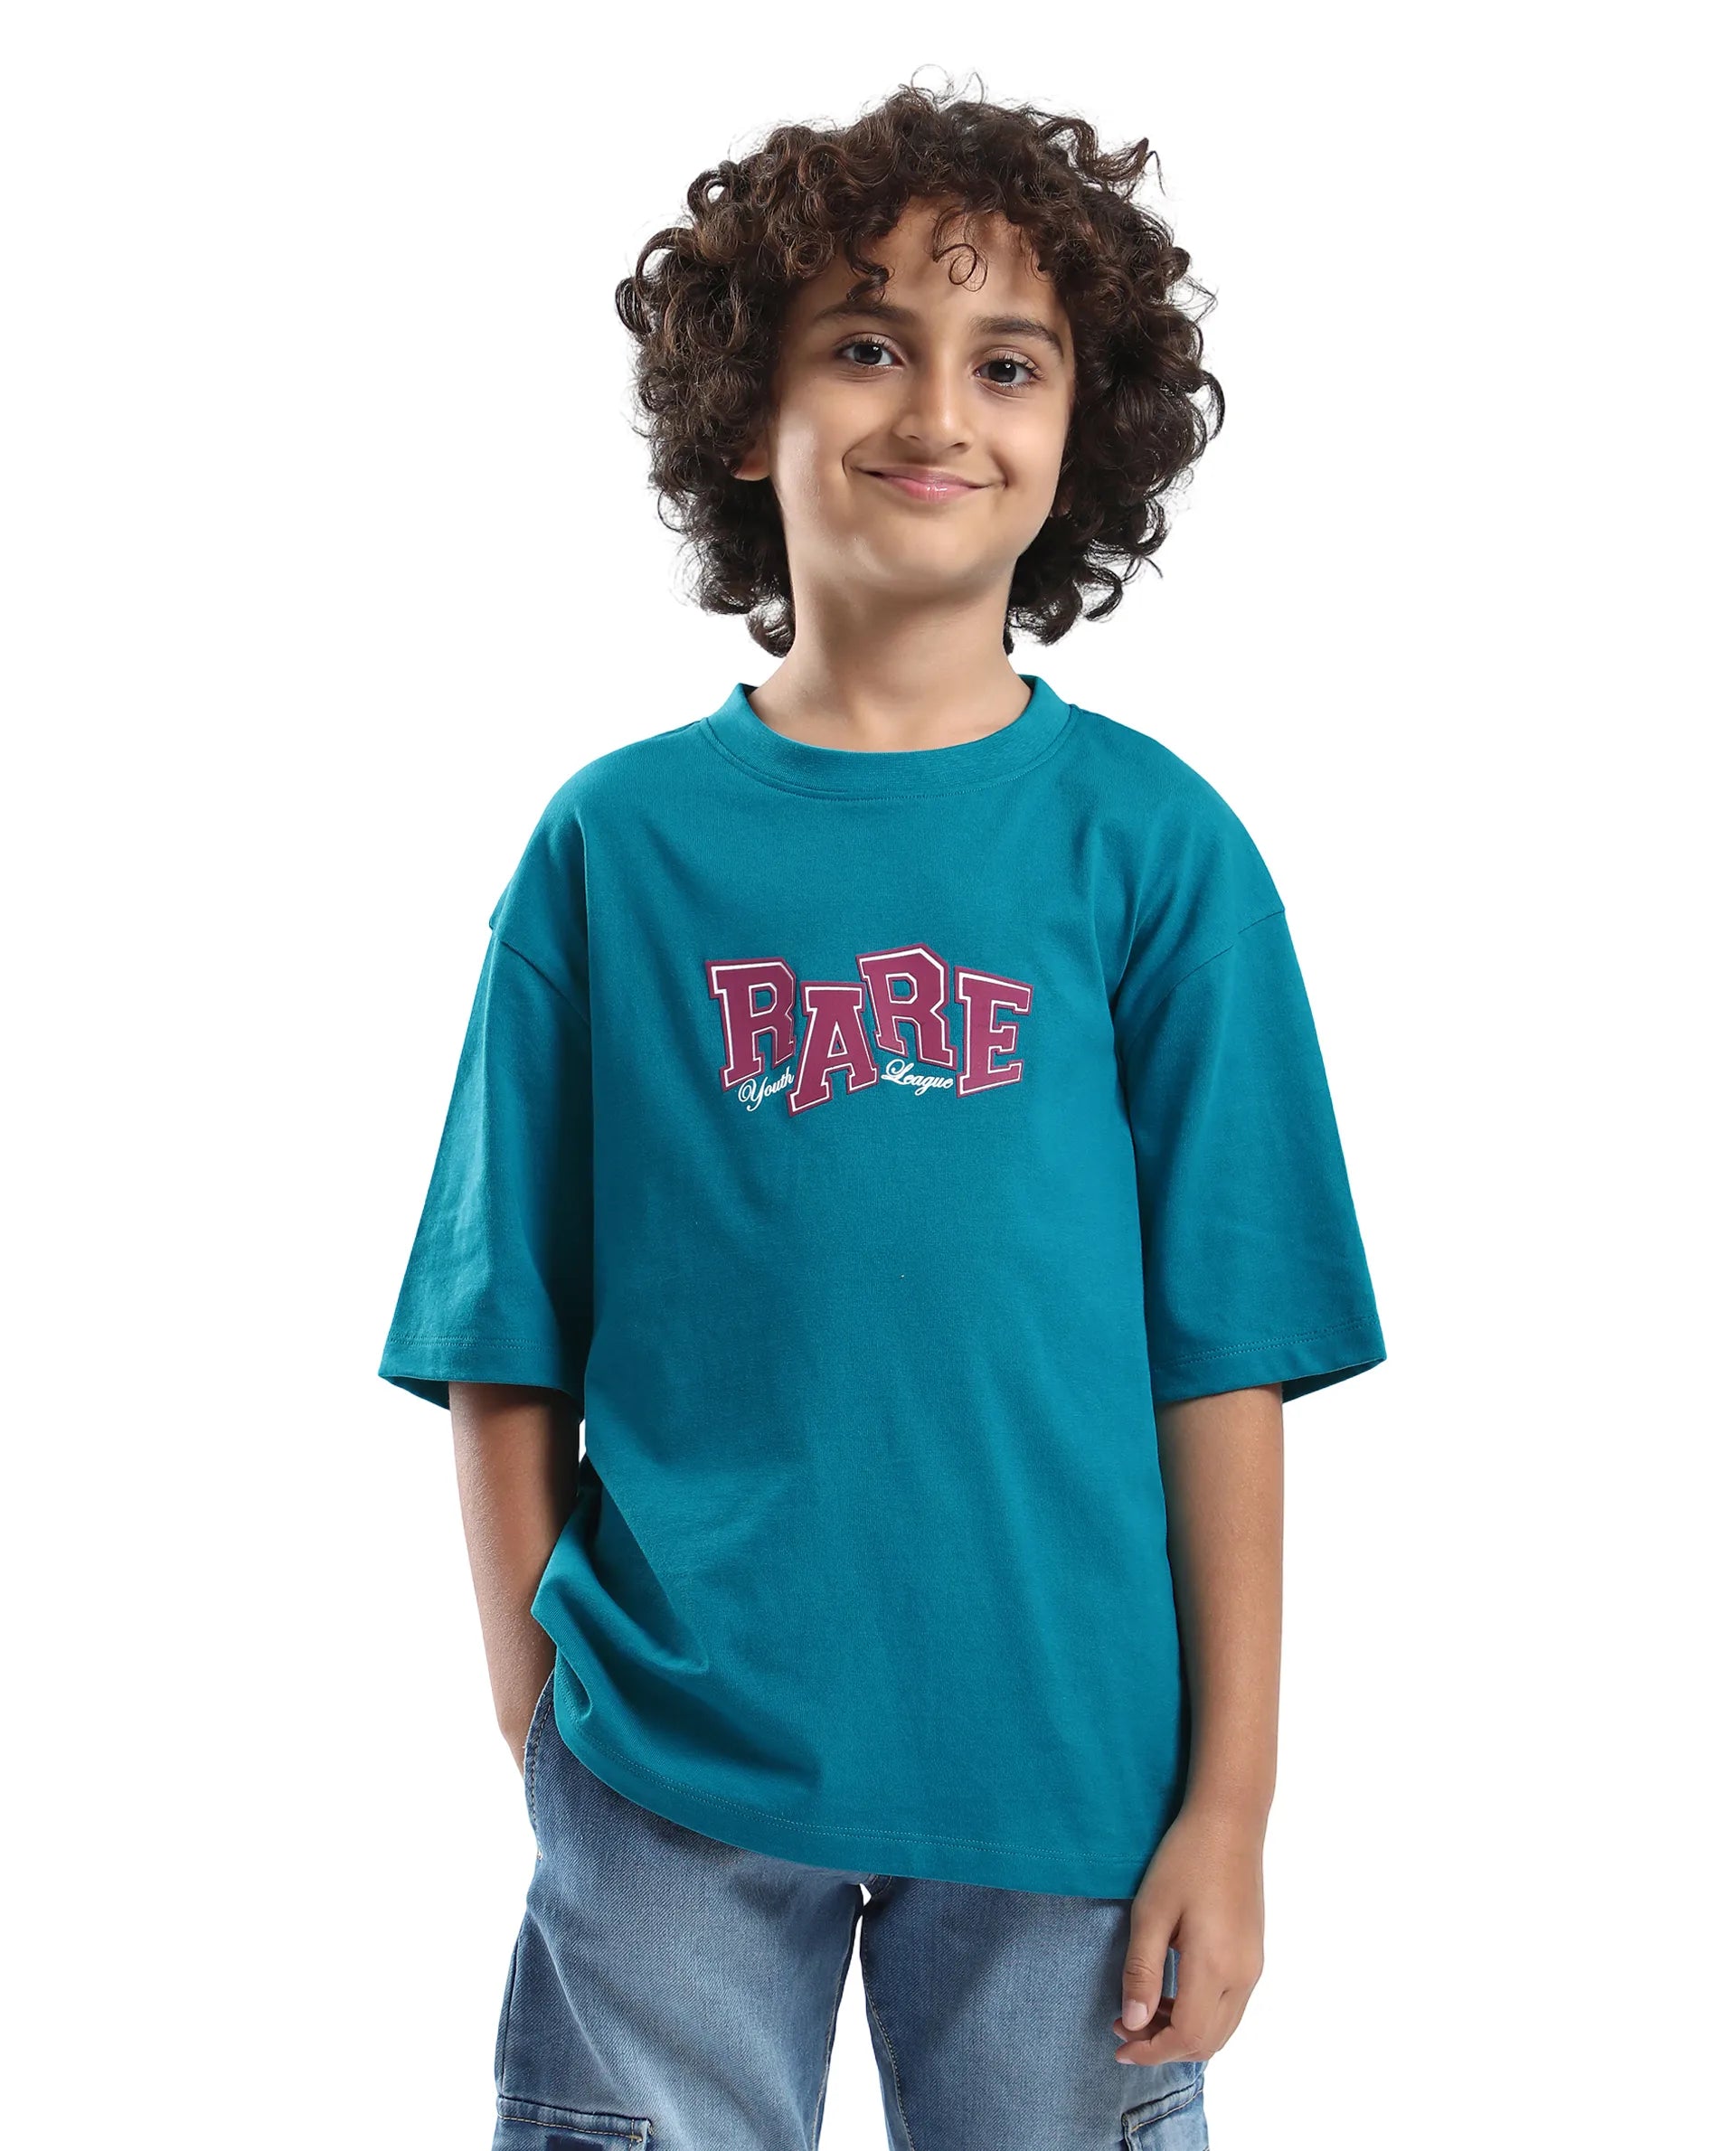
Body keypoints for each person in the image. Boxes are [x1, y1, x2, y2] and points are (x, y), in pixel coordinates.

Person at [380, 77, 1385, 2151]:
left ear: (1079, 434)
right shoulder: (616, 847)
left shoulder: (1158, 852)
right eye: (865, 344)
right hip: (668, 1755)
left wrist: (1232, 1800)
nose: (937, 408)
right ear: (746, 413)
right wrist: (544, 1714)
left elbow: (1225, 1359)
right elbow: (500, 1332)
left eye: (1006, 361)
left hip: (1069, 1763)